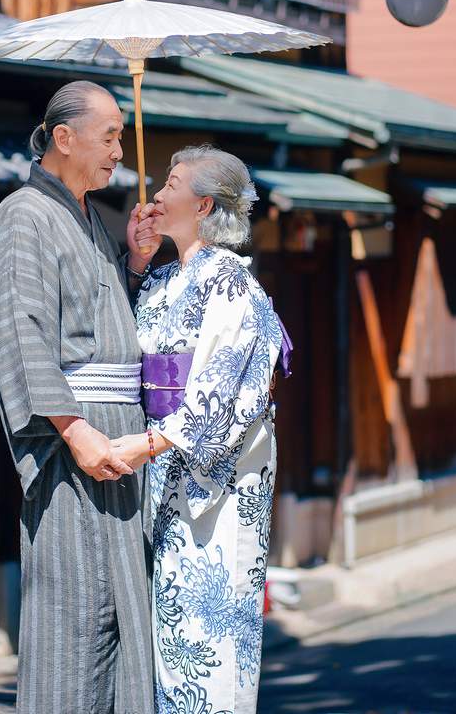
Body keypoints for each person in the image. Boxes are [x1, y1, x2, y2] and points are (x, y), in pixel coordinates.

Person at [0, 80, 160, 713]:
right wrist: (75, 431)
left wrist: (134, 261)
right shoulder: (25, 212)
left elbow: (109, 323)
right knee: (79, 613)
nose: (119, 151)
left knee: (122, 614)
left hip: (118, 437)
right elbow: (15, 326)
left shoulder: (88, 216)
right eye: (109, 136)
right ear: (64, 137)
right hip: (77, 437)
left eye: (119, 136)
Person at [108, 145, 288, 712]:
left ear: (204, 203)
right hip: (164, 475)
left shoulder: (232, 283)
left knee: (213, 639)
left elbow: (230, 384)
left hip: (217, 482)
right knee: (169, 639)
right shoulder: (163, 279)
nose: (157, 194)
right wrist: (138, 260)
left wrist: (152, 441)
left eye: (172, 184)